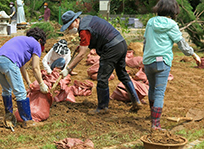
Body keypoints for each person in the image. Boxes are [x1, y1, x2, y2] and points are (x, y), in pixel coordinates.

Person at [59, 10, 143, 114]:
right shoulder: (87, 19)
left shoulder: (84, 30)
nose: (69, 29)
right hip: (121, 43)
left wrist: (68, 68)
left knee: (102, 78)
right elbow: (94, 35)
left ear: (76, 20)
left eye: (69, 26)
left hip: (111, 48)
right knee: (122, 74)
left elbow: (81, 54)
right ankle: (136, 101)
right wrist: (80, 46)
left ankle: (103, 107)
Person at [143, 0, 201, 130]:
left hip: (148, 62)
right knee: (159, 93)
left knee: (152, 89)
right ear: (173, 10)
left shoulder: (151, 22)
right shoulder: (172, 24)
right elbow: (181, 43)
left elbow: (145, 41)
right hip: (162, 62)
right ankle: (155, 124)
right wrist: (193, 55)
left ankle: (152, 116)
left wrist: (145, 58)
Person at [0, 27, 49, 129]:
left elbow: (21, 67)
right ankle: (27, 121)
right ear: (41, 40)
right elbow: (35, 67)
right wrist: (41, 83)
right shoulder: (36, 43)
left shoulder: (22, 41)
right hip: (9, 61)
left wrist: (28, 82)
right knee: (21, 93)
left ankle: (9, 117)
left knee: (6, 89)